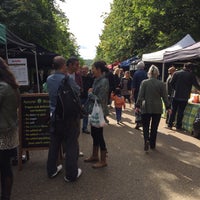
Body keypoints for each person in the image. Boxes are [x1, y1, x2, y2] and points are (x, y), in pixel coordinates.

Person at [46, 56, 82, 182]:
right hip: (68, 117)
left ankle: (51, 170)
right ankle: (71, 174)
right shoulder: (67, 79)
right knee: (71, 143)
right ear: (63, 66)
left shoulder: (49, 79)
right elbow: (78, 91)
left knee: (54, 143)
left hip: (54, 116)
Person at [135, 65, 171, 151]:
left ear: (149, 73)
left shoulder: (144, 82)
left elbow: (140, 96)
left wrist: (137, 105)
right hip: (157, 108)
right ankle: (152, 144)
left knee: (146, 126)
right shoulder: (161, 84)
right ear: (157, 74)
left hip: (146, 106)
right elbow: (165, 97)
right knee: (154, 127)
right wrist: (168, 107)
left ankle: (146, 140)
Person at [0, 57, 20, 200]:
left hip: (2, 134)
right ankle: (6, 196)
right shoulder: (11, 85)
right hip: (8, 132)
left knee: (4, 168)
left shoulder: (2, 87)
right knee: (5, 167)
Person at [84, 61, 109, 168]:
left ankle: (103, 160)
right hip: (95, 111)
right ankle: (95, 156)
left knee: (99, 135)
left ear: (99, 69)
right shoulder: (96, 80)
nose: (92, 70)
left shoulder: (103, 82)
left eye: (93, 68)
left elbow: (99, 100)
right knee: (94, 134)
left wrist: (90, 94)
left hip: (100, 112)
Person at [168, 62, 200, 130]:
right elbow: (196, 85)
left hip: (175, 95)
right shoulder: (191, 75)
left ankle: (170, 124)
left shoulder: (176, 73)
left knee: (173, 110)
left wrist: (175, 89)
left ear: (184, 66)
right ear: (190, 68)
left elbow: (171, 83)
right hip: (184, 97)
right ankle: (178, 126)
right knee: (180, 112)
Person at [66, 57, 84, 156]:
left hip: (76, 105)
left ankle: (76, 151)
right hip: (65, 106)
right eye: (76, 65)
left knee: (77, 129)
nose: (78, 66)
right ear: (70, 65)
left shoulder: (78, 75)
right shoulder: (63, 74)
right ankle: (66, 151)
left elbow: (81, 88)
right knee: (66, 130)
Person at [131, 61, 147, 129]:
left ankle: (138, 122)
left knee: (137, 107)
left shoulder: (136, 73)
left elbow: (133, 86)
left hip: (137, 93)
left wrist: (132, 94)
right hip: (145, 94)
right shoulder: (146, 73)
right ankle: (143, 122)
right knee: (143, 108)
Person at [80, 65, 94, 134]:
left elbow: (92, 87)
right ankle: (75, 128)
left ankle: (84, 128)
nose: (84, 71)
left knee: (86, 113)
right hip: (78, 98)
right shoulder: (78, 78)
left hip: (86, 98)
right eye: (83, 69)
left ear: (88, 70)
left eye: (85, 69)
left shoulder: (90, 78)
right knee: (77, 113)